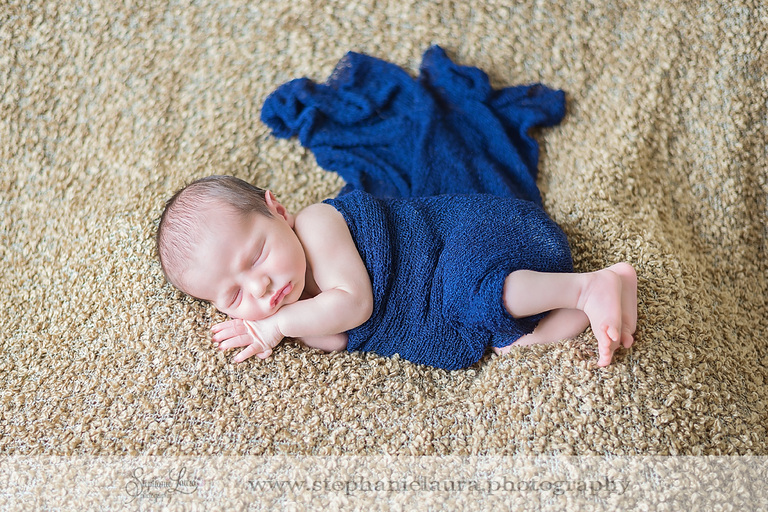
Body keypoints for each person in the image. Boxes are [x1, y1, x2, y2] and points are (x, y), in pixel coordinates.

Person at [156, 175, 637, 370]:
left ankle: (584, 285)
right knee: (509, 341)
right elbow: (343, 336)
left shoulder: (317, 224)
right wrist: (281, 330)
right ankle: (610, 285)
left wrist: (276, 325)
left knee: (474, 294)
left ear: (278, 211)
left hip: (469, 238)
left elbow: (354, 305)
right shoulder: (299, 311)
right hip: (442, 297)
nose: (259, 286)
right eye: (235, 297)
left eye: (257, 254)